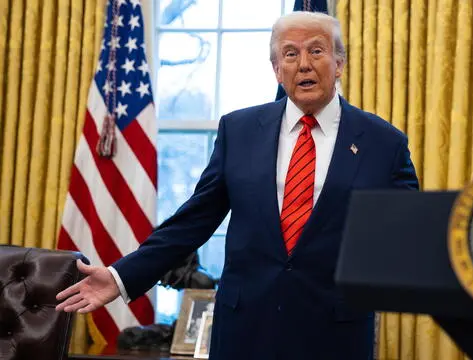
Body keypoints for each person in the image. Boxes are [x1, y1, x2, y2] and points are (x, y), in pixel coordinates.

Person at [56, 11, 419, 360]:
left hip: (335, 333)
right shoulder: (239, 131)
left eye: (316, 50)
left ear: (339, 63)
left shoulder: (383, 143)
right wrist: (120, 277)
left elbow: (407, 231)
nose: (303, 64)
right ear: (277, 70)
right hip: (245, 330)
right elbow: (191, 223)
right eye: (290, 54)